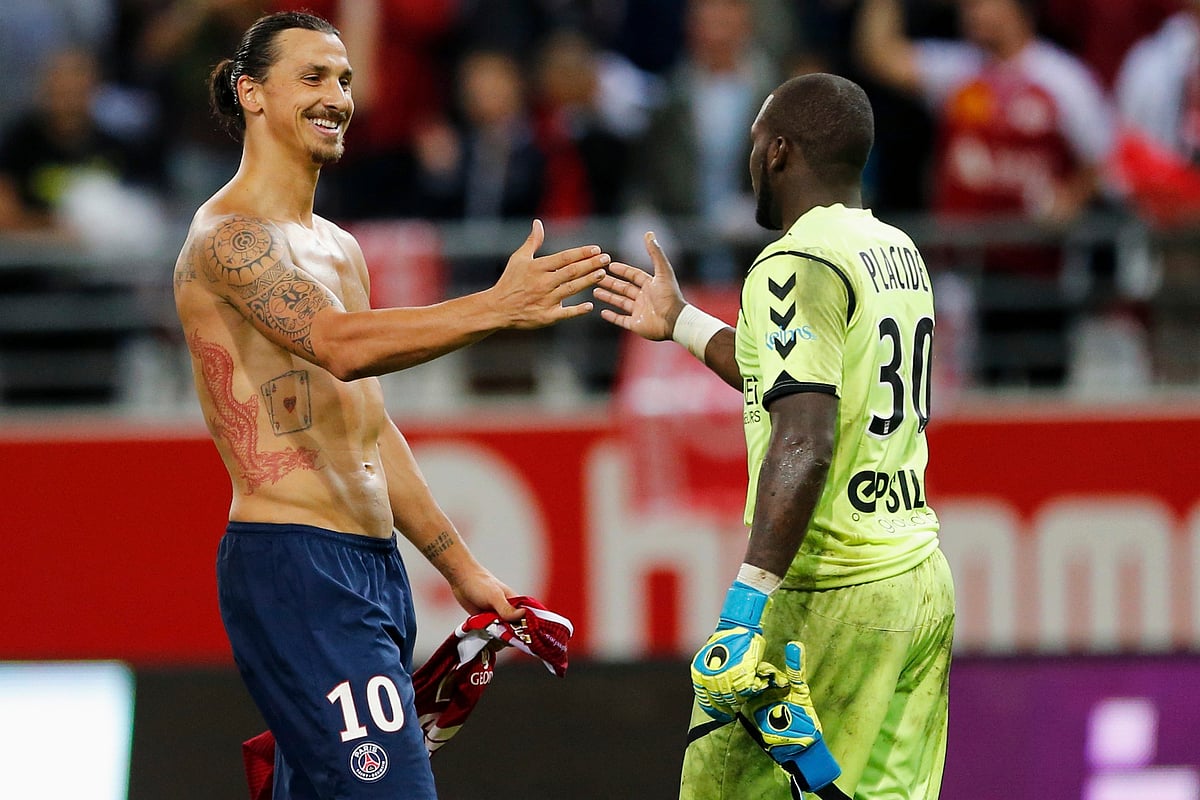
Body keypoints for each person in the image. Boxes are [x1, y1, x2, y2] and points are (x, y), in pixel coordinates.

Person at [173, 11, 609, 799]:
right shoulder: (226, 238)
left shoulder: (338, 247)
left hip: (375, 573)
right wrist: (493, 307)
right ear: (251, 94)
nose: (337, 95)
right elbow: (339, 344)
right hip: (294, 567)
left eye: (343, 79)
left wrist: (462, 567)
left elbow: (367, 424)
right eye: (311, 77)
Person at [597, 73, 955, 799]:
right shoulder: (897, 250)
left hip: (829, 590)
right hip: (917, 580)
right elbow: (790, 378)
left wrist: (744, 608)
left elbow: (805, 438)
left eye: (756, 139)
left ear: (780, 151)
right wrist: (684, 323)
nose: (750, 156)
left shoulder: (794, 260)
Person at [854, 0, 1115, 387]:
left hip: (1041, 270)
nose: (974, 14)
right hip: (967, 269)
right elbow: (880, 55)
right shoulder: (957, 71)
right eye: (969, 6)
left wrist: (1070, 198)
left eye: (986, 4)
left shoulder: (1062, 78)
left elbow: (1107, 155)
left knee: (1047, 389)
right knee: (975, 388)